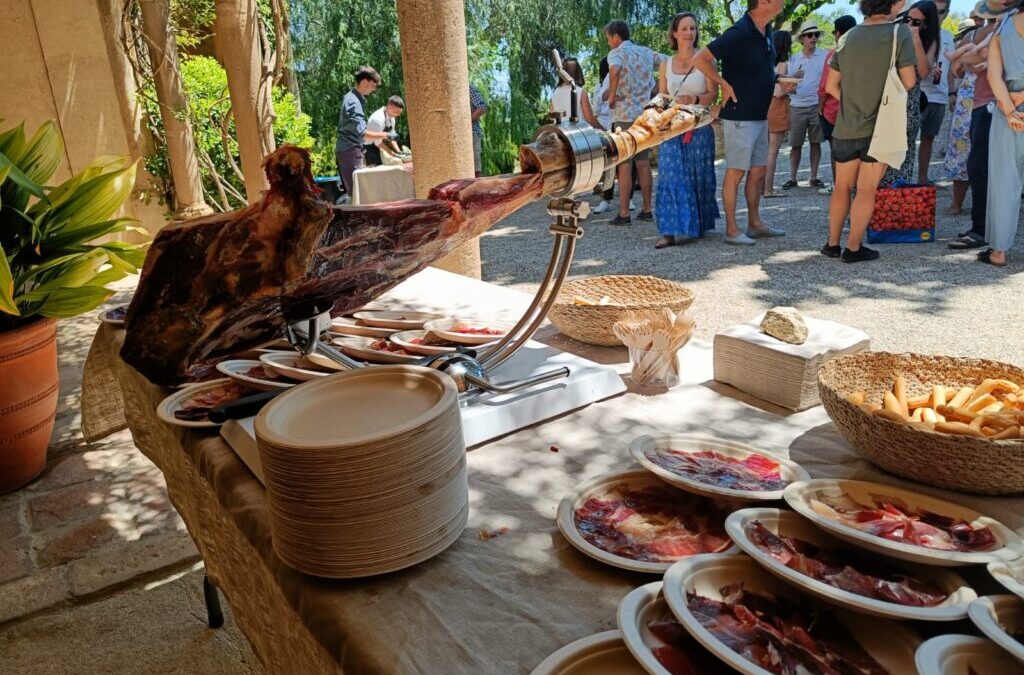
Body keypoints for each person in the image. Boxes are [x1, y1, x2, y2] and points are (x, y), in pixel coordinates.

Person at [823, 0, 918, 263]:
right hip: (880, 127)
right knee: (866, 190)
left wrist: (853, 101)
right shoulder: (899, 33)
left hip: (845, 126)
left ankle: (831, 244)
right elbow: (909, 81)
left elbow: (832, 85)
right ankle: (853, 248)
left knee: (841, 187)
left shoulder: (848, 36)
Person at [695, 0, 789, 246]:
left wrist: (780, 78)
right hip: (739, 114)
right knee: (736, 171)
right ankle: (732, 229)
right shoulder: (739, 32)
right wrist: (723, 84)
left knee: (758, 170)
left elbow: (760, 68)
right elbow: (701, 58)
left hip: (760, 113)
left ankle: (755, 224)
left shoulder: (766, 30)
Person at [947, 0, 1020, 251]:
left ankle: (984, 231)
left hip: (994, 105)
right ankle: (985, 229)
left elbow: (972, 62)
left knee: (983, 169)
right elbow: (966, 61)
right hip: (988, 104)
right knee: (983, 168)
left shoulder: (1003, 29)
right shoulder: (994, 31)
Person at [654, 13, 720, 248]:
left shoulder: (706, 60)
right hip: (672, 129)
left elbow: (714, 94)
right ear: (674, 33)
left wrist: (695, 97)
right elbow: (663, 96)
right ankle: (668, 232)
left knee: (698, 176)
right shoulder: (665, 64)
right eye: (684, 28)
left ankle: (697, 223)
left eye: (692, 28)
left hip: (699, 127)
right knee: (670, 175)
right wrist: (655, 112)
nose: (689, 32)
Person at [605, 19, 664, 226]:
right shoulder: (645, 52)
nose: (608, 43)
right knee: (643, 163)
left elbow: (614, 70)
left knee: (624, 165)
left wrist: (612, 96)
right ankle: (647, 209)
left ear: (615, 36)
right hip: (645, 115)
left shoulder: (616, 53)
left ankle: (624, 212)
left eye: (608, 38)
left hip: (624, 116)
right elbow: (668, 61)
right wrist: (658, 87)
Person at [979, 9, 1024, 267]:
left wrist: (1010, 109)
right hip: (1016, 100)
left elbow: (993, 75)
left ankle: (999, 251)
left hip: (1007, 105)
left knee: (1004, 179)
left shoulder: (1004, 22)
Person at [880, 1, 936, 187]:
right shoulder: (894, 32)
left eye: (917, 22)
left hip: (909, 106)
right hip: (887, 102)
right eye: (908, 19)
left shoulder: (929, 41)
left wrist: (916, 39)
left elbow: (923, 71)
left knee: (902, 160)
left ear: (926, 24)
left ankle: (896, 207)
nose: (911, 24)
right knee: (879, 158)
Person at [942, 19, 983, 214]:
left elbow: (955, 70)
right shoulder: (1008, 32)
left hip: (970, 96)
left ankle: (956, 203)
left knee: (962, 147)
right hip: (997, 94)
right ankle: (986, 205)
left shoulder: (971, 36)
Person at [784, 21, 829, 189]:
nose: (814, 38)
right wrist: (793, 80)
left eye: (816, 35)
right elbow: (786, 86)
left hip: (817, 106)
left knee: (816, 142)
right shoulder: (793, 59)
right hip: (797, 106)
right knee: (795, 143)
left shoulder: (825, 56)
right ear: (802, 38)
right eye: (810, 35)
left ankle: (814, 176)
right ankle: (792, 177)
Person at [817, 15, 859, 196]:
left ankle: (839, 186)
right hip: (858, 110)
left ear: (839, 33)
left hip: (834, 111)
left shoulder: (834, 53)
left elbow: (825, 86)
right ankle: (856, 185)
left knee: (836, 152)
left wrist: (820, 107)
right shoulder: (864, 52)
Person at [335, 66, 390, 198]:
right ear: (364, 82)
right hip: (350, 151)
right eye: (372, 85)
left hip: (350, 150)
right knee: (357, 194)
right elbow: (362, 133)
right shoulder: (353, 102)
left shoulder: (352, 98)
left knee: (358, 193)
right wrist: (387, 135)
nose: (373, 90)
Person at [918, 0, 955, 183]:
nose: (937, 16)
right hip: (918, 94)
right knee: (906, 141)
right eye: (934, 11)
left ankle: (922, 179)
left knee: (928, 140)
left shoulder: (948, 37)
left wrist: (952, 93)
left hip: (939, 97)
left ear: (947, 13)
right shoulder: (919, 33)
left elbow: (950, 69)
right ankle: (901, 181)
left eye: (941, 12)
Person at [765, 30, 793, 198]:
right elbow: (779, 92)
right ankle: (768, 189)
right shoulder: (783, 64)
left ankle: (763, 187)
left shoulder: (766, 63)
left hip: (764, 106)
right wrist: (792, 86)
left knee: (764, 150)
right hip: (777, 106)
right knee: (773, 151)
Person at [549, 58, 603, 128]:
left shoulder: (555, 92)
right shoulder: (581, 92)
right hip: (577, 135)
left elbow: (551, 117)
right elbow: (590, 120)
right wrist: (604, 131)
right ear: (578, 72)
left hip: (561, 134)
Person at [363, 96, 404, 167]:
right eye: (397, 112)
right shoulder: (378, 119)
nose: (398, 115)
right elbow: (378, 143)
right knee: (377, 173)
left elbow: (392, 138)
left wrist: (399, 152)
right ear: (390, 107)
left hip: (380, 145)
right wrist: (393, 154)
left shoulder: (392, 118)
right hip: (369, 148)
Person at [469, 84, 488, 176]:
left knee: (475, 170)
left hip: (472, 132)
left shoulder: (469, 88)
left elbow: (482, 107)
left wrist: (466, 122)